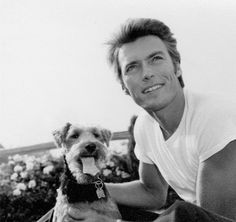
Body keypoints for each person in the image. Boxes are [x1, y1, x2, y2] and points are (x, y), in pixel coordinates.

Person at [60, 18, 236, 222]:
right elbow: (152, 193)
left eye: (156, 59)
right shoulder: (145, 126)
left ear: (177, 67)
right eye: (132, 67)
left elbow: (213, 219)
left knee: (182, 213)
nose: (147, 73)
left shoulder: (214, 115)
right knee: (76, 206)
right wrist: (88, 189)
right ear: (124, 86)